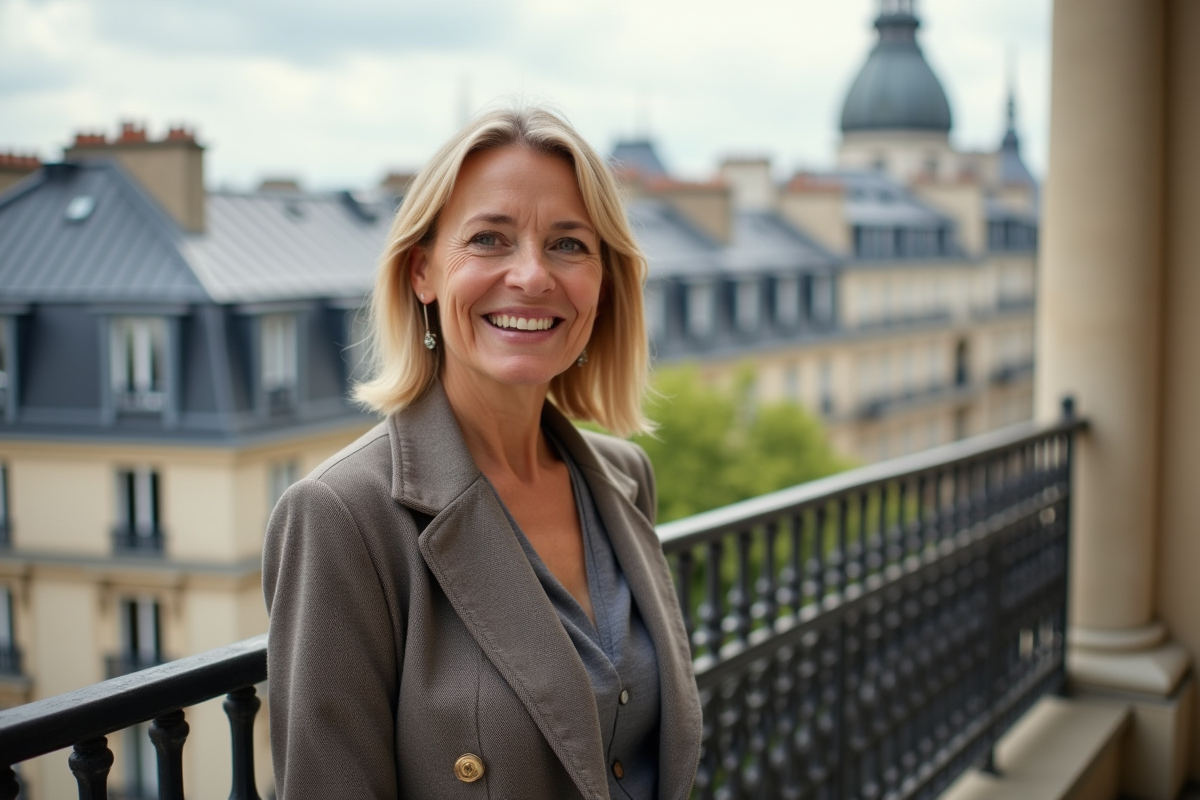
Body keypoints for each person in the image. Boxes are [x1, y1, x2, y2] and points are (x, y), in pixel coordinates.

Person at [262, 106, 703, 800]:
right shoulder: (343, 516)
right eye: (490, 239)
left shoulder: (622, 478)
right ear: (422, 273)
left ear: (604, 282)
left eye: (568, 245)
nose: (532, 276)